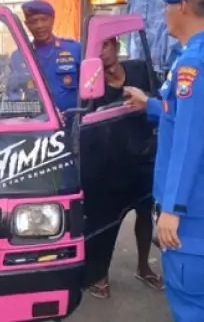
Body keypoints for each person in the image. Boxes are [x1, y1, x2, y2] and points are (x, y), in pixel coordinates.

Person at [123, 0, 204, 321]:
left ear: (182, 7)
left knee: (192, 304)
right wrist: (152, 105)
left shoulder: (193, 64)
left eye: (167, 7)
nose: (165, 15)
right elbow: (189, 115)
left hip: (192, 205)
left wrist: (173, 209)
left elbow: (189, 140)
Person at [85, 36, 163, 299]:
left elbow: (162, 98)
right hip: (110, 162)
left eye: (104, 45)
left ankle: (144, 267)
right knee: (108, 221)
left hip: (143, 156)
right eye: (96, 47)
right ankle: (100, 275)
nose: (101, 52)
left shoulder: (141, 69)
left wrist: (147, 103)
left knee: (144, 214)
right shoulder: (92, 85)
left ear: (116, 46)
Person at [8, 0, 81, 118]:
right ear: (27, 25)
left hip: (73, 126)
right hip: (38, 128)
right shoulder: (19, 57)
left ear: (52, 20)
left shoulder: (74, 50)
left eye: (43, 20)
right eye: (33, 22)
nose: (39, 26)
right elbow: (13, 95)